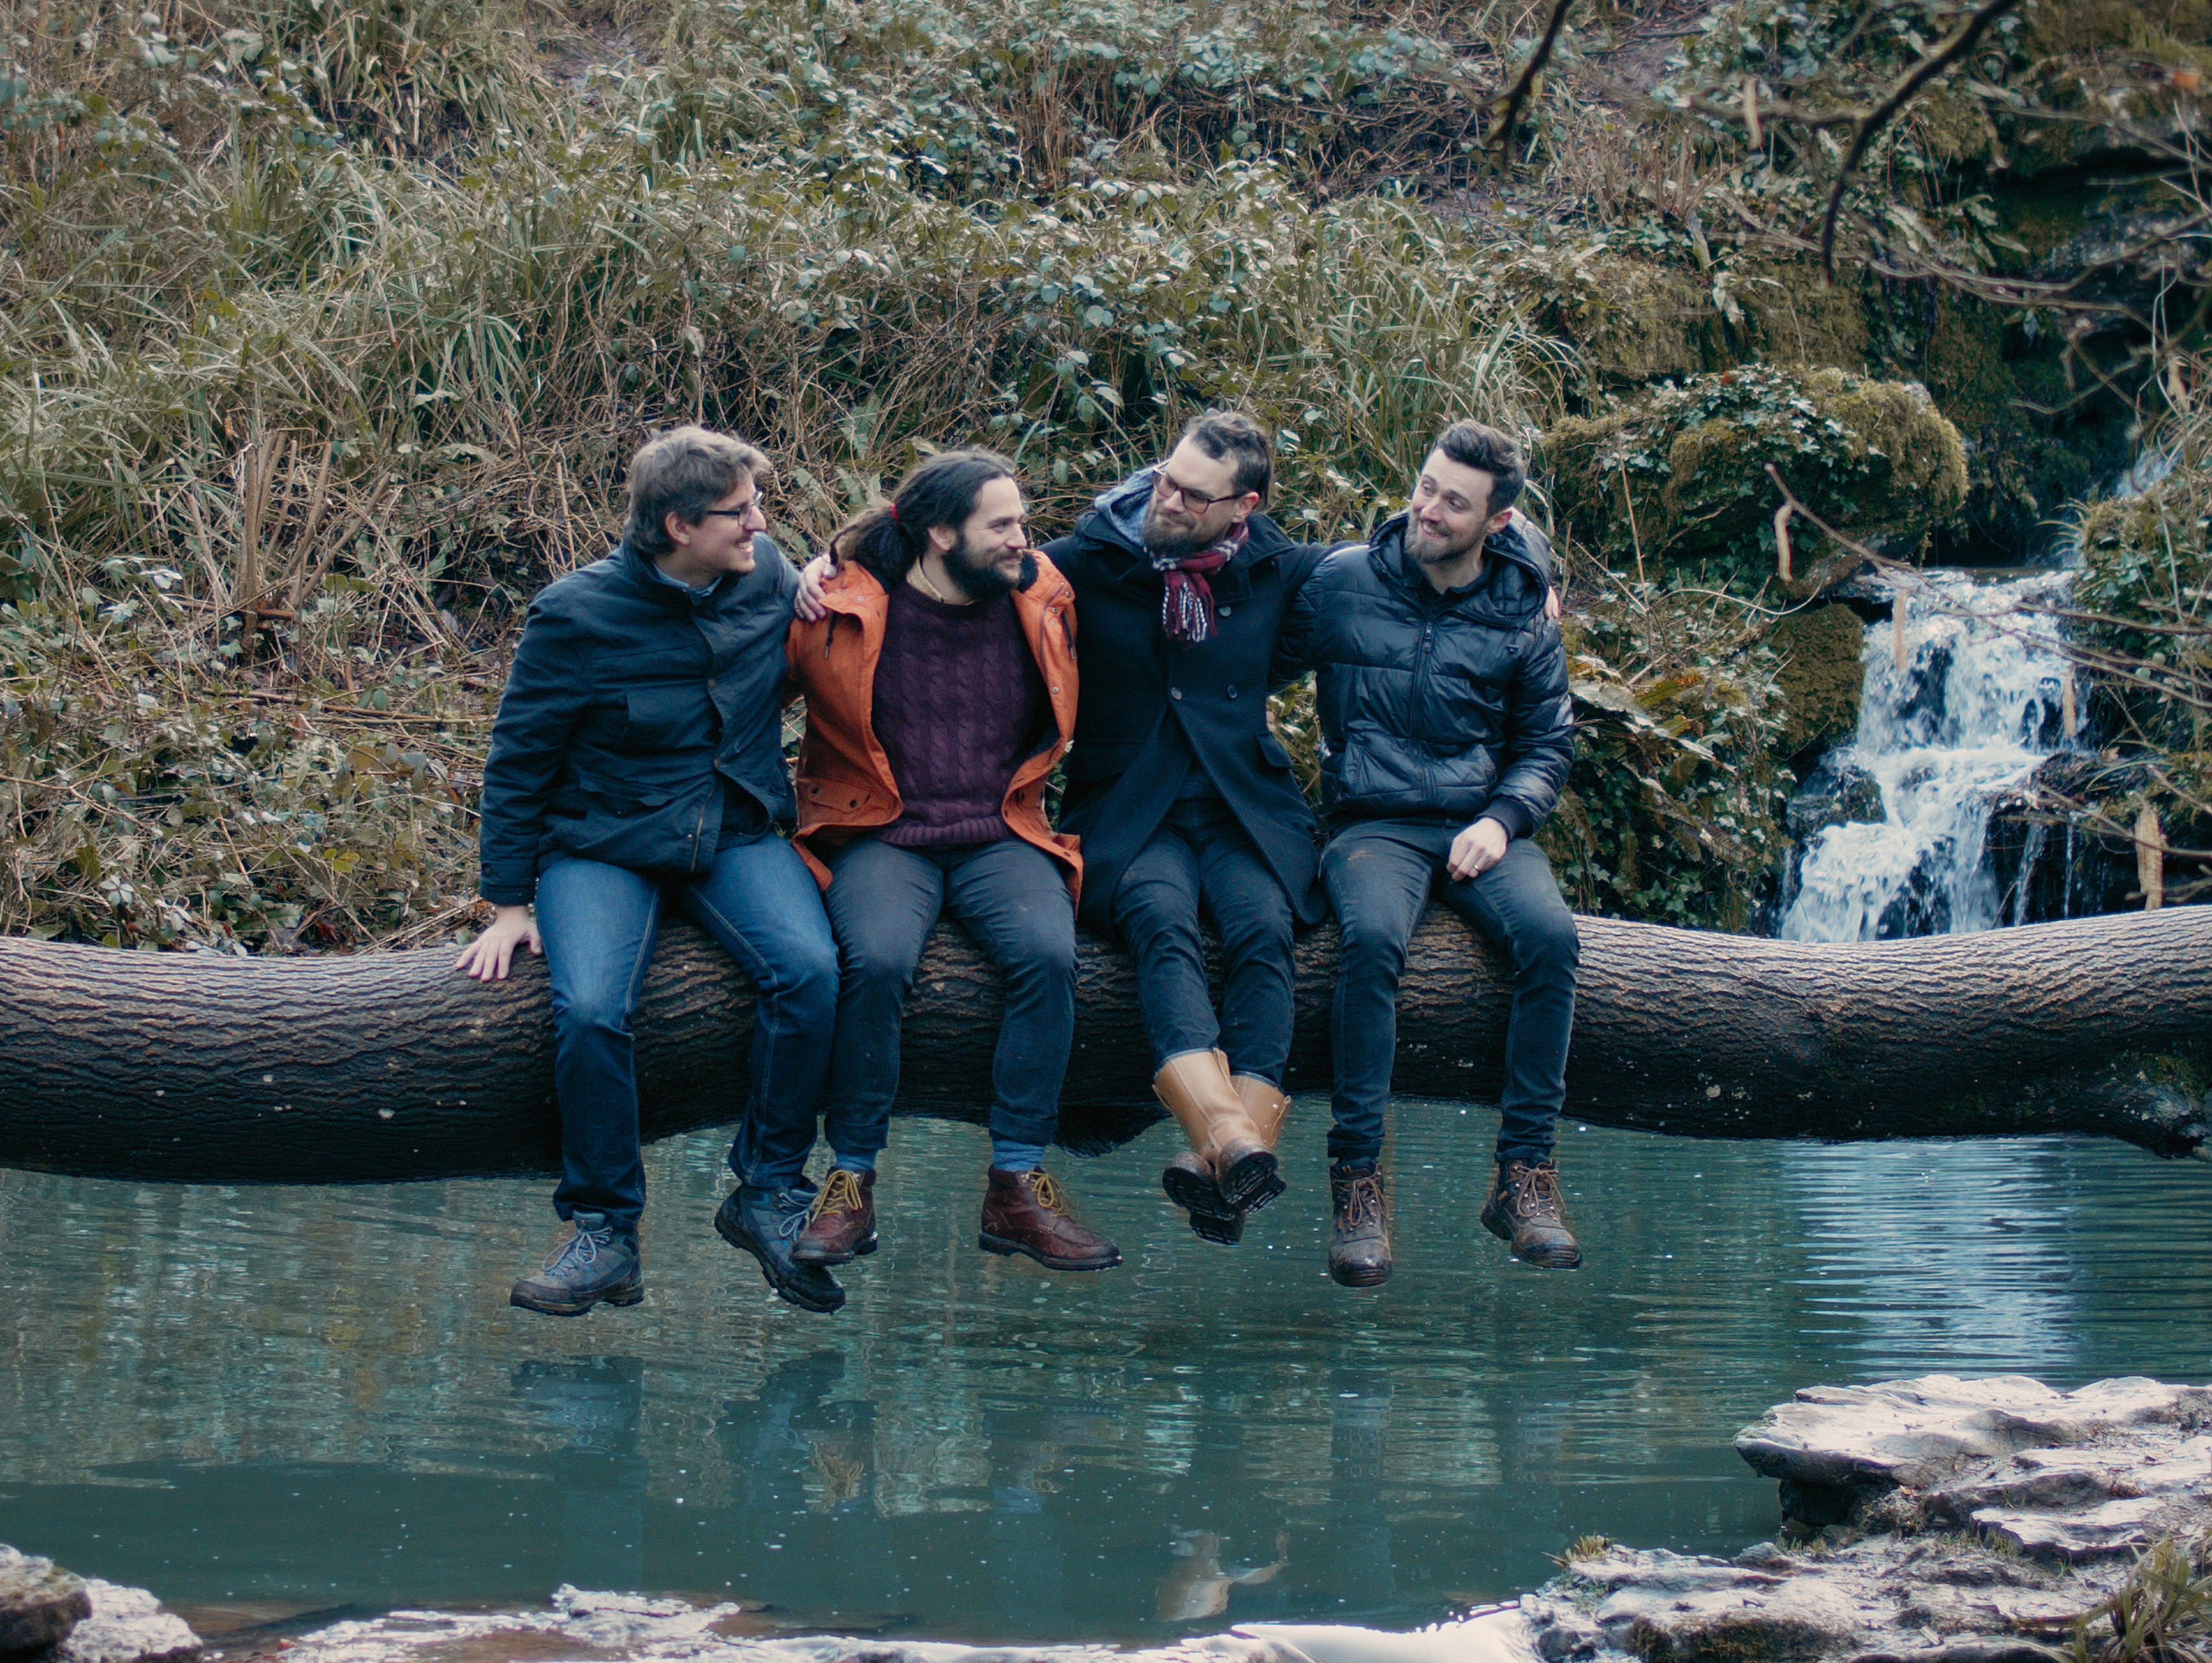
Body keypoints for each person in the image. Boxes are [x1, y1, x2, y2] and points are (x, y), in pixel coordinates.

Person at [457, 426, 846, 1317]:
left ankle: (766, 1191)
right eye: (739, 512)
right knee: (592, 1007)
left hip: (735, 831)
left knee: (813, 973)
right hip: (600, 842)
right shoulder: (574, 613)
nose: (760, 523)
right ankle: (604, 1230)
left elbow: (842, 583)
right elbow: (519, 758)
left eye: (757, 507)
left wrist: (826, 578)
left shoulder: (767, 572)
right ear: (677, 524)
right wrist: (510, 902)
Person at [772, 447, 1120, 1278]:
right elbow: (744, 688)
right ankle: (849, 1180)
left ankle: (1016, 1183)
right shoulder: (842, 606)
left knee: (1047, 954)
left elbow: (1142, 504)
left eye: (1023, 521)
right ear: (937, 532)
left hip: (1000, 830)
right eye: (1000, 525)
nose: (1021, 540)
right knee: (879, 959)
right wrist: (784, 573)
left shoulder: (1039, 596)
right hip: (880, 831)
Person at [1275, 418, 1580, 1287]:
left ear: (1497, 521)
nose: (1429, 508)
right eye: (1425, 486)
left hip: (1479, 823)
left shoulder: (1520, 609)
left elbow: (1546, 743)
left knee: (1552, 943)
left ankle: (1523, 1180)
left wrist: (1504, 816)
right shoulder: (1341, 581)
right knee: (1369, 943)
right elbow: (1247, 645)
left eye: (1454, 500)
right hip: (1369, 825)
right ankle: (1357, 1188)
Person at [1041, 411, 1330, 1246]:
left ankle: (1222, 1158)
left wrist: (1523, 575)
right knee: (1161, 922)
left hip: (1241, 807)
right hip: (1128, 807)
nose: (1164, 499)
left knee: (1262, 930)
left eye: (1190, 494)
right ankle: (1231, 1141)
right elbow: (961, 559)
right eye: (1164, 478)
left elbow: (1398, 562)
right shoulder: (1087, 560)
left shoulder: (1276, 569)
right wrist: (837, 561)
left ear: (1240, 508)